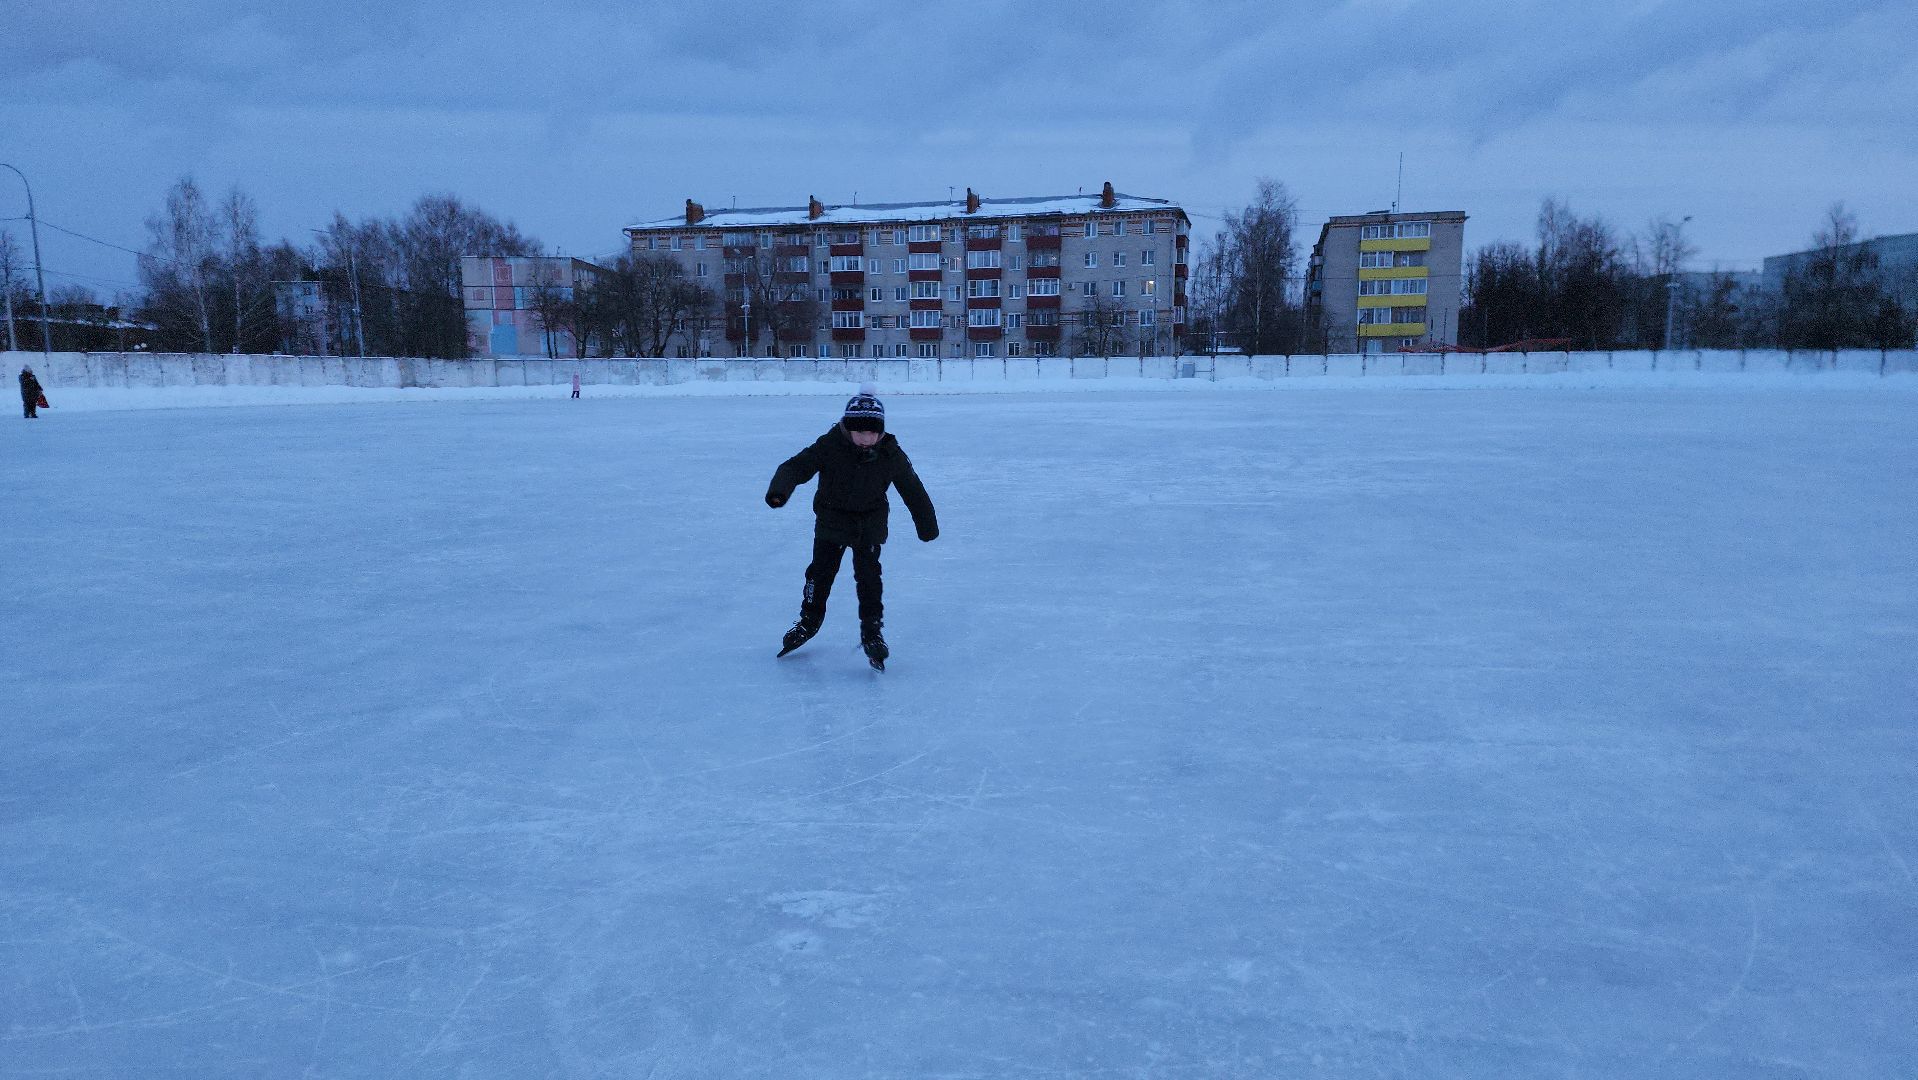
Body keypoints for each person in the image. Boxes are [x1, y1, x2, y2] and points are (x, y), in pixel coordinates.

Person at [766, 384, 938, 668]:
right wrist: (779, 491)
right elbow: (796, 467)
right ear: (848, 427)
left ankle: (872, 632)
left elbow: (912, 488)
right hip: (832, 521)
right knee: (819, 575)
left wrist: (926, 525)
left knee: (869, 579)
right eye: (860, 431)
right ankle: (808, 621)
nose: (866, 438)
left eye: (873, 432)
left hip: (869, 525)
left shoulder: (890, 452)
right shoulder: (830, 445)